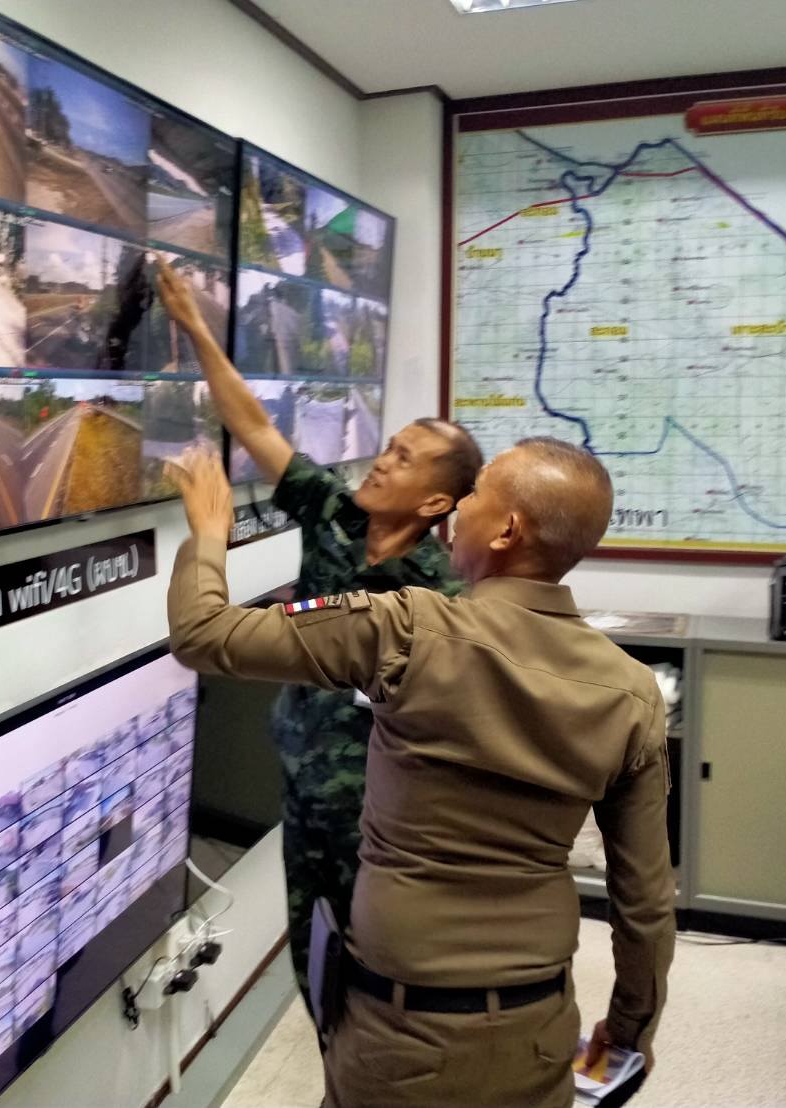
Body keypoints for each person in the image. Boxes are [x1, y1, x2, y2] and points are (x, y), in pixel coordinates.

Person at [164, 441, 674, 1108]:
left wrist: (208, 532)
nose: (459, 508)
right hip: (540, 1026)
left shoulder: (406, 629)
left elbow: (204, 634)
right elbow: (645, 902)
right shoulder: (633, 693)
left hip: (401, 1029)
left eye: (475, 494)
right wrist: (629, 1030)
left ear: (506, 530)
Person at [154, 260, 483, 1004]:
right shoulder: (337, 513)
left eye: (402, 460)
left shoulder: (439, 597)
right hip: (303, 787)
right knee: (312, 956)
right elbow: (253, 425)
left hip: (380, 816)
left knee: (376, 969)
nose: (381, 462)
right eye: (388, 446)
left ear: (435, 502)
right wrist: (196, 326)